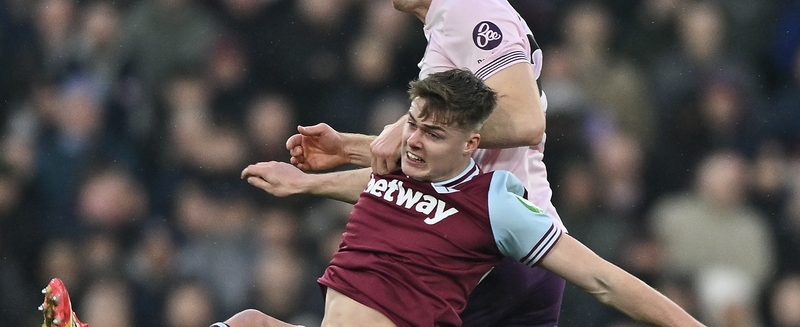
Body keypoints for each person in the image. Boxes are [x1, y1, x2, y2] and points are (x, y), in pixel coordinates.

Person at [247, 0, 565, 326]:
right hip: (517, 252)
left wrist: (403, 129)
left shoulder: (468, 9)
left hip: (489, 252)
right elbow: (426, 172)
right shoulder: (445, 33)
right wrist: (348, 152)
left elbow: (525, 121)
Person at [207, 68, 702, 327]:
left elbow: (602, 279)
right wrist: (307, 184)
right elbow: (380, 189)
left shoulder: (496, 202)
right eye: (414, 126)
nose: (416, 141)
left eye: (434, 135)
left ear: (471, 144)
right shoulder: (394, 169)